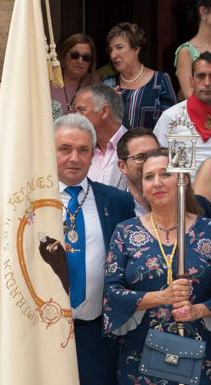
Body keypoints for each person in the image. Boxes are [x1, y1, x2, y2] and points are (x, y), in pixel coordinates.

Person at [104, 149, 211, 385]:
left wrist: (199, 310)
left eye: (165, 174)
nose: (156, 183)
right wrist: (160, 297)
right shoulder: (126, 232)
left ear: (183, 180)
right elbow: (112, 292)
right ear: (141, 187)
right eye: (148, 177)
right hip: (140, 354)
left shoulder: (210, 231)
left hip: (199, 351)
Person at [54, 113, 135, 385]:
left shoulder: (117, 201)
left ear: (93, 155)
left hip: (96, 334)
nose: (74, 158)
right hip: (42, 333)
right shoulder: (31, 201)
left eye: (83, 150)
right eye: (65, 149)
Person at [155, 52, 211, 175]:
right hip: (182, 191)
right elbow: (157, 161)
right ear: (192, 81)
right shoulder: (170, 116)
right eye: (201, 76)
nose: (207, 82)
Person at [102, 23, 176, 130]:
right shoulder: (108, 83)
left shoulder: (159, 81)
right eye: (111, 50)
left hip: (152, 146)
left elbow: (171, 123)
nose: (113, 55)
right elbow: (98, 123)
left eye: (119, 47)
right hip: (116, 146)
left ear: (136, 49)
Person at [73, 83, 128, 190]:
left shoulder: (136, 147)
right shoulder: (80, 151)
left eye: (81, 110)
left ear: (104, 111)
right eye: (74, 111)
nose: (75, 117)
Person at [51, 33, 100, 114]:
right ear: (64, 55)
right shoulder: (49, 80)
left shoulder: (94, 82)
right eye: (75, 55)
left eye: (86, 57)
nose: (80, 61)